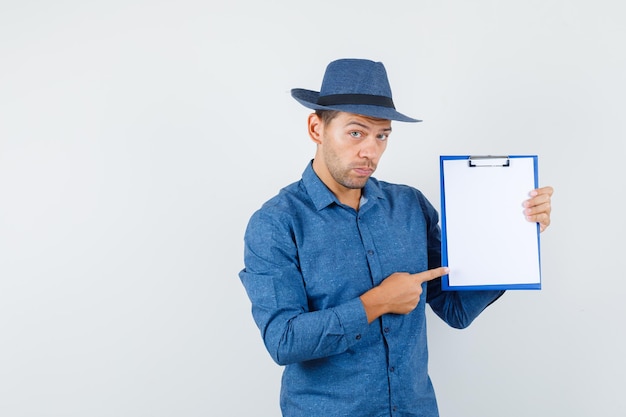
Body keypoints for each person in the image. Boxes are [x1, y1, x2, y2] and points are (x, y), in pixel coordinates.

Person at [238, 58, 553, 417]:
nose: (370, 151)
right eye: (355, 132)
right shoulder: (276, 223)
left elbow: (455, 310)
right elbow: (284, 340)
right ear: (316, 128)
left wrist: (516, 234)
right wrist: (377, 303)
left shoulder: (409, 206)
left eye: (382, 135)